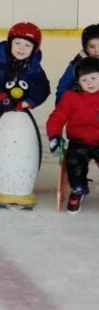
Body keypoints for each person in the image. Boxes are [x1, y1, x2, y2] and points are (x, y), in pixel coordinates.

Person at [0, 22, 51, 192]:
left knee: (20, 139)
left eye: (27, 45)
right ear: (9, 43)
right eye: (17, 43)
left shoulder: (34, 67)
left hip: (19, 110)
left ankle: (19, 169)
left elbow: (43, 88)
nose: (21, 48)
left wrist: (30, 101)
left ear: (35, 48)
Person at [46, 56, 99, 213]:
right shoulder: (71, 97)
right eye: (84, 80)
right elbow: (58, 116)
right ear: (78, 82)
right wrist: (54, 135)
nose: (89, 82)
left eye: (93, 78)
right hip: (79, 141)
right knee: (74, 161)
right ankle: (78, 189)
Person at [56, 24, 99, 103]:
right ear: (85, 47)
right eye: (92, 46)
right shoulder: (77, 64)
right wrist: (64, 105)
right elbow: (63, 87)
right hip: (82, 106)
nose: (96, 50)